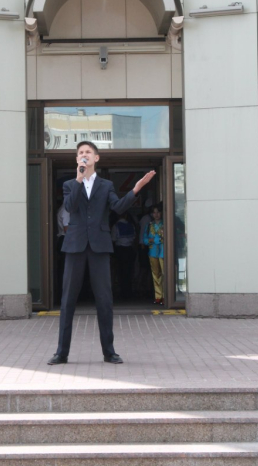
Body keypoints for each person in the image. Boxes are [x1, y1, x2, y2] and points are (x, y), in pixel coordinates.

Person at [47, 141, 156, 365]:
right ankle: (61, 352)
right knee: (68, 300)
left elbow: (118, 207)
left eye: (88, 152)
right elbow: (70, 207)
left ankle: (109, 351)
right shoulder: (70, 184)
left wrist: (135, 189)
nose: (84, 155)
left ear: (96, 158)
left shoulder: (106, 185)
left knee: (104, 300)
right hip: (75, 246)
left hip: (99, 246)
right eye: (80, 152)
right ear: (77, 159)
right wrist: (79, 179)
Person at [111, 212, 136, 300]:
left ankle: (123, 292)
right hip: (129, 250)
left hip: (120, 250)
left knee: (121, 272)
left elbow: (113, 239)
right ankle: (129, 291)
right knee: (129, 271)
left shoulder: (116, 226)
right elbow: (134, 237)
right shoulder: (131, 225)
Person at [143, 204, 164, 305]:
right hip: (153, 252)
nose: (156, 214)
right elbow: (145, 240)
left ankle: (166, 296)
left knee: (165, 274)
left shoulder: (165, 224)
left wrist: (161, 239)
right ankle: (158, 296)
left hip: (163, 252)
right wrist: (152, 240)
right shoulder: (149, 226)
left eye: (158, 212)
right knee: (156, 275)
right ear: (151, 214)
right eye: (154, 212)